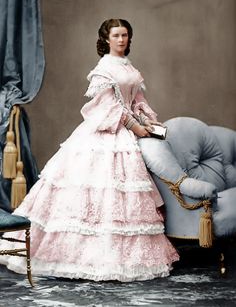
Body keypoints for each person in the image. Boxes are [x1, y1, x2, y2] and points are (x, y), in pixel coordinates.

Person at [0, 19, 179, 282]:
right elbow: (106, 106)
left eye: (125, 35)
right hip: (104, 133)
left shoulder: (129, 67)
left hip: (126, 137)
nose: (122, 40)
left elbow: (137, 101)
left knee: (123, 196)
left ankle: (122, 257)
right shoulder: (103, 68)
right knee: (90, 191)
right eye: (117, 35)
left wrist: (147, 120)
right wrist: (133, 126)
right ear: (106, 39)